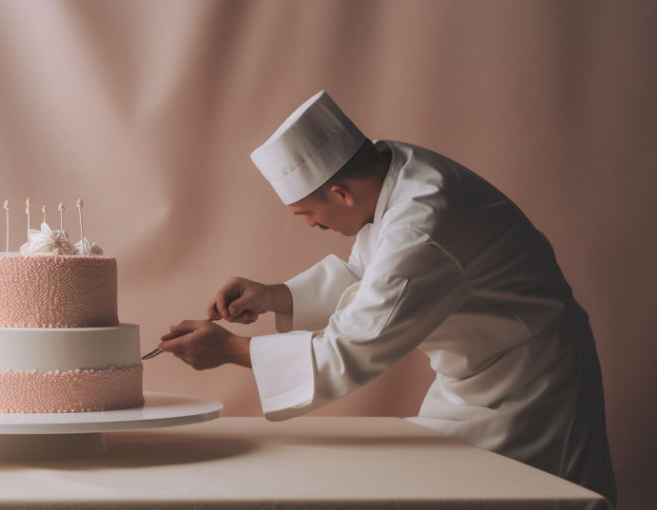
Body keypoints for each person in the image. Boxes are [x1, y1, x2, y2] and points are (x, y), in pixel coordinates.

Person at [158, 91, 616, 505]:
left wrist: (228, 350)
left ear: (340, 193)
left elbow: (354, 345)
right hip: (467, 383)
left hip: (535, 383)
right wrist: (275, 296)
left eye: (307, 214)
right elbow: (371, 275)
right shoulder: (392, 171)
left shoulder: (423, 221)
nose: (311, 226)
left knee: (538, 499)